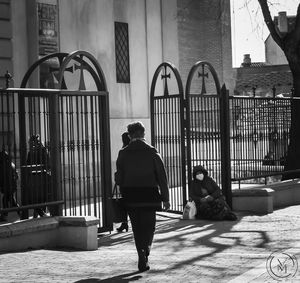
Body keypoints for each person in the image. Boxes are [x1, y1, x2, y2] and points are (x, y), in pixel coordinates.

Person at [115, 121, 170, 272]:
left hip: (130, 195)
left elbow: (119, 179)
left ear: (130, 135)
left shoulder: (123, 153)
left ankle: (140, 252)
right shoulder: (152, 152)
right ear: (143, 133)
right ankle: (146, 250)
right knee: (149, 227)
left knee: (137, 228)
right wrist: (166, 198)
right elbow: (162, 177)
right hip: (149, 194)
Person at [26, 134, 50, 218]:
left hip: (36, 178)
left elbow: (27, 165)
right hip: (40, 177)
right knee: (40, 197)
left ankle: (40, 214)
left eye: (30, 143)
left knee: (36, 198)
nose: (29, 145)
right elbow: (48, 164)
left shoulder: (37, 151)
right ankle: (40, 214)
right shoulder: (43, 151)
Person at [116, 131, 131, 233]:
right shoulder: (132, 150)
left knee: (124, 204)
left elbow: (119, 166)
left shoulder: (123, 151)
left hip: (125, 182)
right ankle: (125, 223)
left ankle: (124, 223)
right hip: (131, 181)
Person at [0, 150, 20, 221]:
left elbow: (2, 177)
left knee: (5, 200)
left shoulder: (3, 165)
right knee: (11, 201)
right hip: (12, 186)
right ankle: (20, 213)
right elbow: (16, 175)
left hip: (7, 186)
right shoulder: (12, 164)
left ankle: (5, 216)